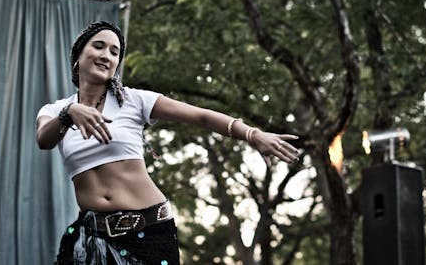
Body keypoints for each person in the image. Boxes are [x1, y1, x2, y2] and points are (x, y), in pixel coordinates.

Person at [36, 21, 300, 265]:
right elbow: (43, 139)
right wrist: (68, 113)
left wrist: (253, 134)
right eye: (99, 46)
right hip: (93, 238)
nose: (107, 55)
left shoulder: (133, 100)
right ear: (78, 55)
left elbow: (202, 116)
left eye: (115, 52)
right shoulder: (55, 110)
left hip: (148, 232)